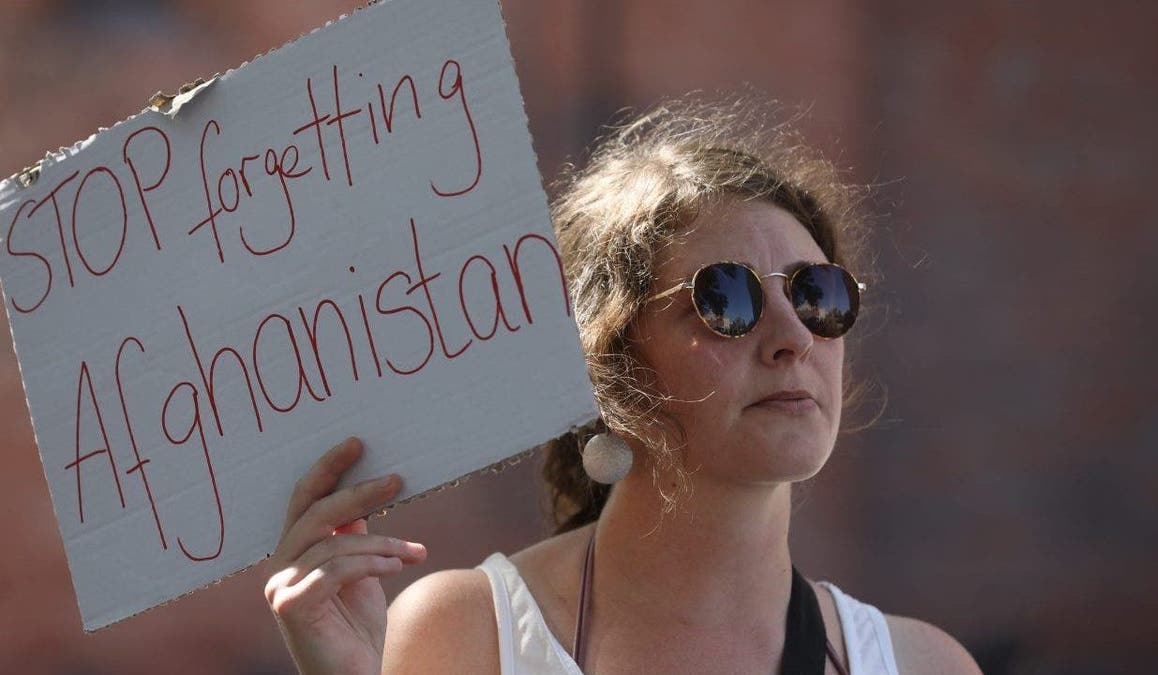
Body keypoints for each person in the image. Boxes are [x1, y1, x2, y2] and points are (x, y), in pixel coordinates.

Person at [265, 96, 984, 674]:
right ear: (611, 363)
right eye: (725, 299)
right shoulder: (465, 634)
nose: (793, 337)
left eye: (817, 294)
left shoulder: (922, 662)